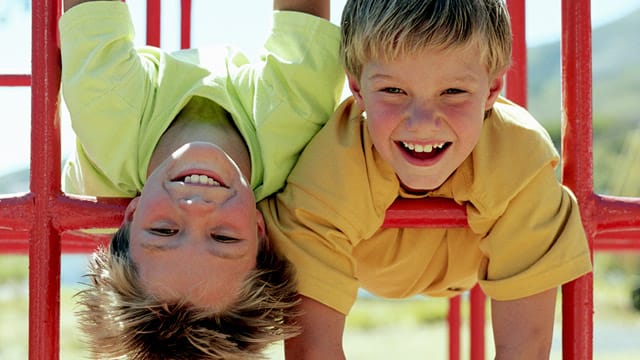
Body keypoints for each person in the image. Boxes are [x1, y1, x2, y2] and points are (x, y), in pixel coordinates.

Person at [258, 0, 593, 358]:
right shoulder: (329, 171)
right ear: (357, 90)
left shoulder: (518, 156)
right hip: (362, 257)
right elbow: (313, 350)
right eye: (393, 91)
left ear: (493, 90)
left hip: (470, 260)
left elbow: (524, 348)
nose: (421, 121)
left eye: (453, 92)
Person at [59, 0, 344, 358]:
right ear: (259, 231)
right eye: (223, 236)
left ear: (129, 218)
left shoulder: (106, 108)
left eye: (164, 230)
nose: (196, 207)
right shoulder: (295, 117)